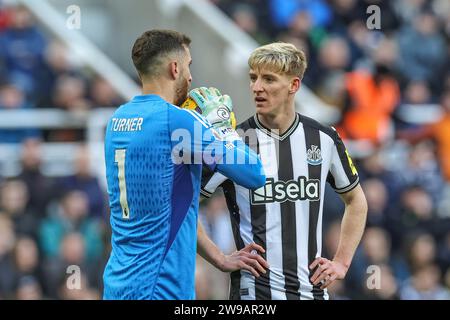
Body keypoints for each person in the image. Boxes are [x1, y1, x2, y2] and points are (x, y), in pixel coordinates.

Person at [102, 29, 267, 300]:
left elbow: (175, 207)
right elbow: (253, 173)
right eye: (189, 66)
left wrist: (220, 259)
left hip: (118, 285)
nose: (191, 77)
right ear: (175, 67)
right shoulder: (177, 122)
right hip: (160, 290)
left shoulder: (117, 120)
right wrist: (223, 128)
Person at [200, 42, 368, 300]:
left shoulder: (324, 138)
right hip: (254, 296)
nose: (257, 87)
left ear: (294, 85)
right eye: (253, 78)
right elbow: (182, 206)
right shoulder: (233, 143)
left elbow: (356, 200)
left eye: (268, 79)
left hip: (313, 293)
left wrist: (341, 263)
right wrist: (219, 258)